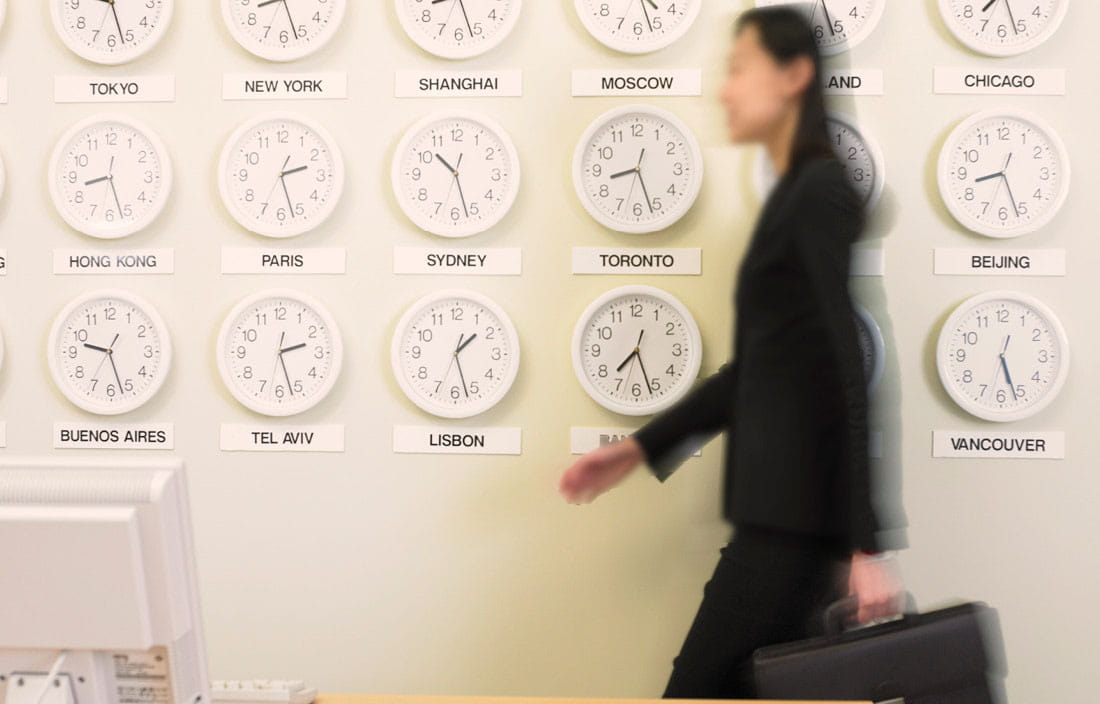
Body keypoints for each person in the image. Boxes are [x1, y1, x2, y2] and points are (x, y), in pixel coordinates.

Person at [557, 6, 909, 699]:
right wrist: (637, 449)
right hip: (779, 523)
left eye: (740, 69)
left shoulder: (818, 193)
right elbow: (760, 371)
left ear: (794, 76)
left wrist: (868, 544)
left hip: (794, 529)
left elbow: (847, 366)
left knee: (695, 694)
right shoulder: (795, 196)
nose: (724, 89)